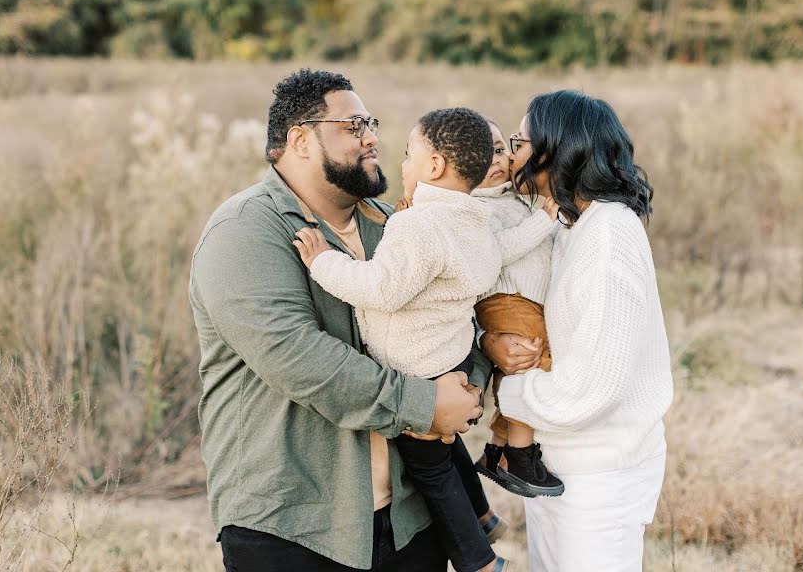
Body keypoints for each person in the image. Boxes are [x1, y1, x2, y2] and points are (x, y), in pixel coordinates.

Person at [189, 69, 487, 572]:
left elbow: (452, 312)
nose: (372, 136)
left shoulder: (396, 223)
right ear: (300, 139)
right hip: (293, 524)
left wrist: (472, 380)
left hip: (409, 516)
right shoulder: (244, 233)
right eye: (353, 126)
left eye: (369, 123)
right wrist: (425, 403)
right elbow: (301, 360)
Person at [293, 108, 509, 572]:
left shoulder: (418, 226)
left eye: (409, 156)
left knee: (431, 468)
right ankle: (486, 515)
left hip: (416, 367)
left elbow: (381, 288)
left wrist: (322, 263)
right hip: (450, 355)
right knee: (448, 447)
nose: (403, 166)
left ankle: (480, 561)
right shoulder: (474, 221)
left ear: (434, 167)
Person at [481, 90, 674, 571]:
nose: (512, 155)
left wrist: (511, 393)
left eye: (520, 142)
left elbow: (594, 386)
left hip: (599, 473)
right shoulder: (570, 222)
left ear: (557, 149)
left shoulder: (609, 235)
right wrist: (491, 342)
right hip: (559, 460)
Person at [471, 119, 564, 498]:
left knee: (532, 362)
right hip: (505, 299)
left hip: (527, 299)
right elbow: (498, 253)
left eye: (497, 149)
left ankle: (497, 448)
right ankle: (520, 453)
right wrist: (543, 219)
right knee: (531, 361)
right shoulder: (474, 209)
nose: (494, 161)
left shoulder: (515, 194)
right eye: (477, 156)